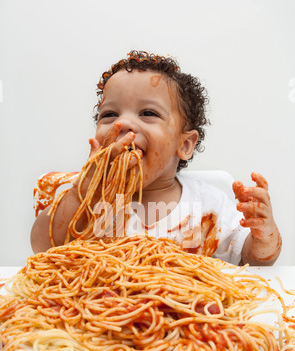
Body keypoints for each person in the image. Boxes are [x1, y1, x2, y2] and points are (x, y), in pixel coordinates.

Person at [30, 50, 282, 266]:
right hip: (99, 315)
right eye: (109, 114)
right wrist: (84, 192)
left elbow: (252, 262)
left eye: (148, 113)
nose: (123, 122)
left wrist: (263, 237)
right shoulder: (85, 203)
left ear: (184, 145)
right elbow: (43, 247)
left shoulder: (208, 207)